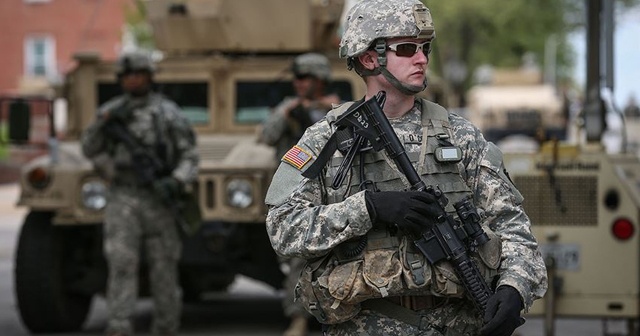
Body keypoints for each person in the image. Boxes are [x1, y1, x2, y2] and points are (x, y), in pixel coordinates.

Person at [264, 1, 547, 335]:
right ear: (369, 57)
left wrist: (514, 287)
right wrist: (367, 208)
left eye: (425, 48)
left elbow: (513, 228)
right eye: (408, 48)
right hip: (366, 325)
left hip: (459, 324)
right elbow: (282, 227)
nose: (422, 58)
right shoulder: (325, 139)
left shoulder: (460, 135)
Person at [81, 51, 199, 336]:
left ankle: (166, 326)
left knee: (164, 270)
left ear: (149, 77)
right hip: (123, 196)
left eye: (139, 74)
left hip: (159, 200)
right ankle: (119, 326)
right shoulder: (111, 113)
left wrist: (176, 181)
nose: (133, 80)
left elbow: (190, 157)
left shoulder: (167, 113)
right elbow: (89, 147)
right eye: (127, 75)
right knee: (121, 264)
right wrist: (108, 164)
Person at [260, 53, 341, 336]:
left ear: (319, 80)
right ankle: (298, 317)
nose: (299, 83)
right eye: (296, 78)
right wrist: (287, 114)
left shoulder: (336, 108)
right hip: (295, 192)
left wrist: (322, 108)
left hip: (332, 191)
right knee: (297, 259)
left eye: (304, 78)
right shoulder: (288, 108)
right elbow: (266, 136)